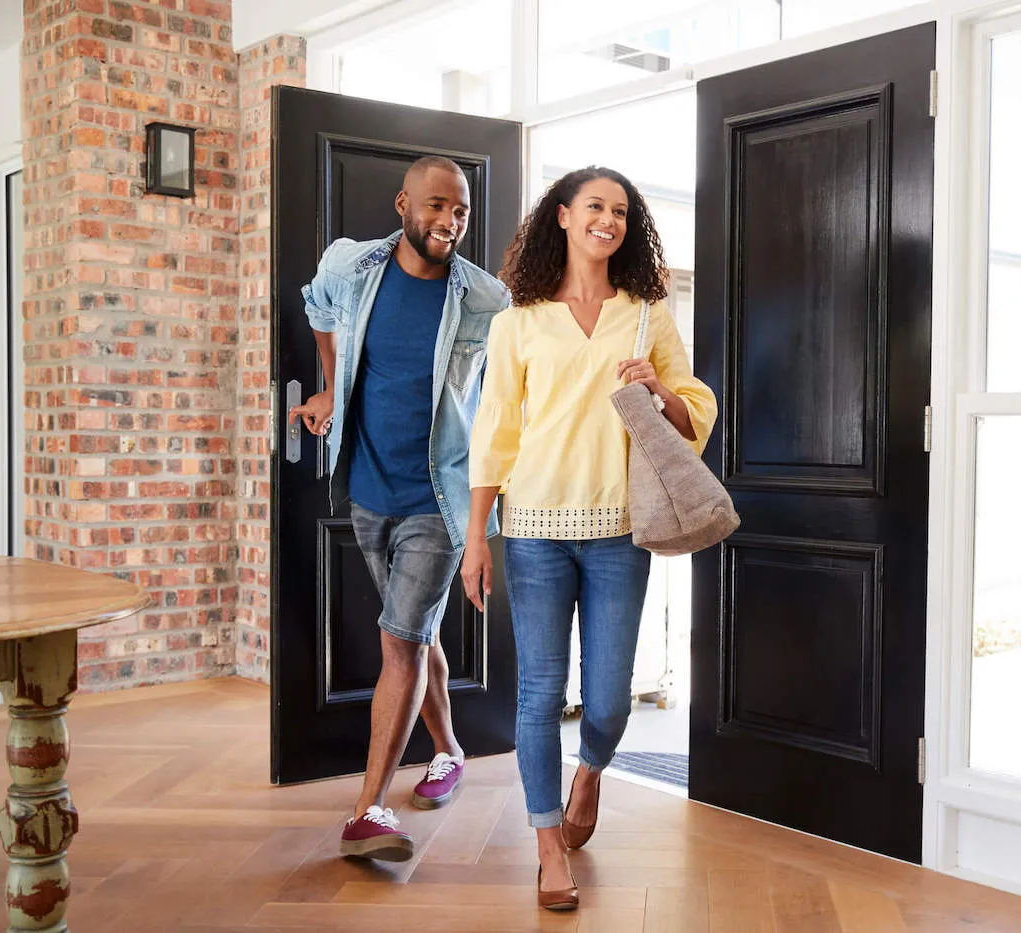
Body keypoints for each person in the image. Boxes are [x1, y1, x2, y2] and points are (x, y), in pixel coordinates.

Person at [463, 167, 717, 910]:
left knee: (607, 699)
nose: (608, 218)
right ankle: (548, 843)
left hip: (617, 532)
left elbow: (694, 406)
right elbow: (495, 431)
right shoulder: (517, 322)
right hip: (534, 531)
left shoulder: (645, 316)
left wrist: (660, 387)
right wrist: (478, 536)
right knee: (539, 693)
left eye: (621, 210)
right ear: (565, 217)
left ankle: (591, 770)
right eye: (595, 206)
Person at [290, 156, 510, 862]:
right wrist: (329, 387)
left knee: (402, 641)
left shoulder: (486, 300)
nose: (450, 222)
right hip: (367, 486)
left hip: (438, 497)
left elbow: (507, 403)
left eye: (462, 212)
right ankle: (448, 750)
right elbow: (317, 307)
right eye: (437, 206)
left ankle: (368, 810)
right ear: (403, 204)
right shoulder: (353, 268)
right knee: (410, 636)